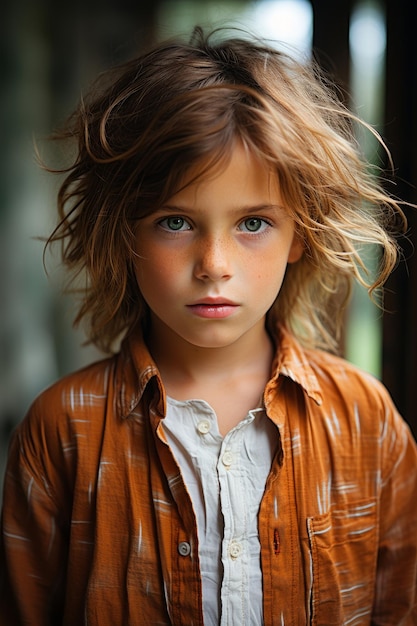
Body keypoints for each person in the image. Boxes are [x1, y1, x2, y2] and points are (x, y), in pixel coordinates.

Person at [0, 26, 416, 626]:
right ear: (125, 233)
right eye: (175, 222)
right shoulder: (60, 432)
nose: (215, 265)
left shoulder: (366, 423)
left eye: (252, 223)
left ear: (299, 232)